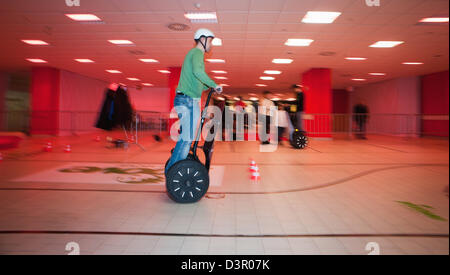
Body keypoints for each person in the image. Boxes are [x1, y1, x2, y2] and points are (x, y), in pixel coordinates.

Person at [165, 29, 223, 173]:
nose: (211, 44)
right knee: (187, 139)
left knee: (186, 138)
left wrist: (210, 86)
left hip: (186, 100)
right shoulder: (197, 53)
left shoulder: (195, 55)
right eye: (210, 41)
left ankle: (174, 168)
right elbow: (198, 72)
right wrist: (214, 84)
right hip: (187, 101)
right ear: (202, 39)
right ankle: (174, 171)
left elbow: (198, 81)